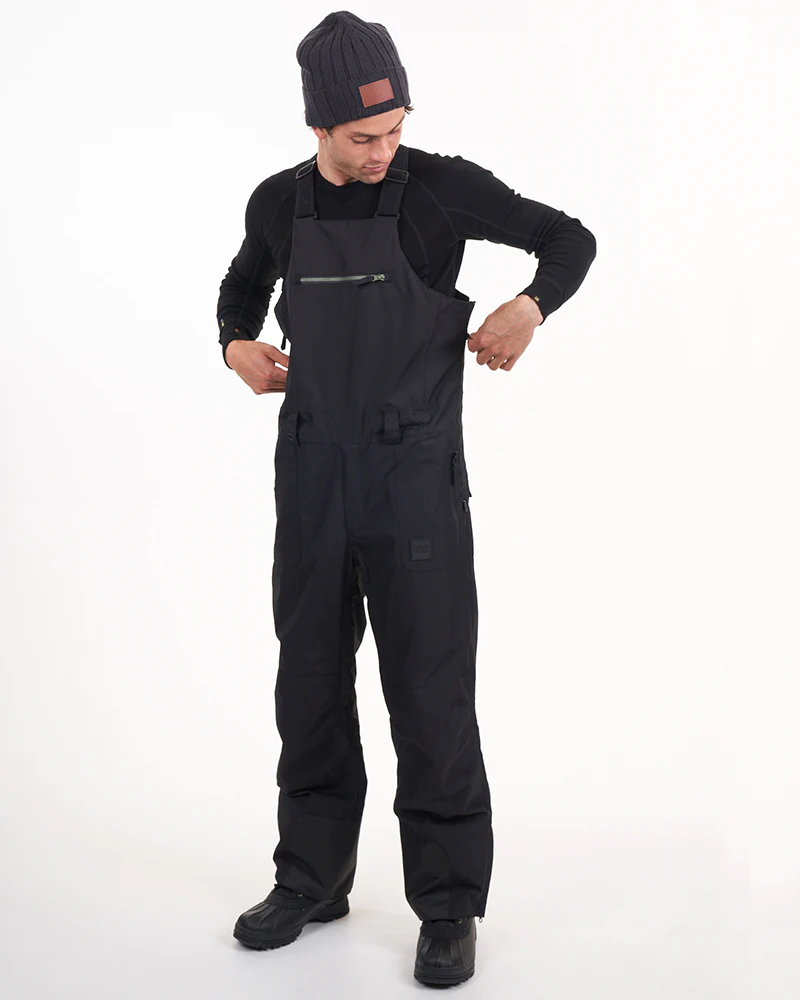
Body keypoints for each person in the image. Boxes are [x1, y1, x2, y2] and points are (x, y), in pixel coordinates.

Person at [217, 10, 596, 988]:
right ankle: (310, 879)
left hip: (414, 485)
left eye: (394, 129)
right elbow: (240, 289)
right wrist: (236, 346)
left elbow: (567, 238)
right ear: (318, 127)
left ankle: (448, 904)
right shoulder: (277, 203)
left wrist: (529, 306)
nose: (383, 150)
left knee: (429, 694)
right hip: (311, 478)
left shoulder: (436, 188)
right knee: (308, 685)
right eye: (362, 137)